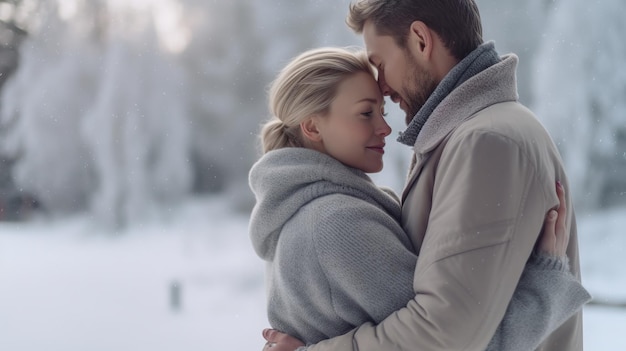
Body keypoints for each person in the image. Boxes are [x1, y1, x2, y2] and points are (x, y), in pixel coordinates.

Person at [250, 47, 590, 351]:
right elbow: (451, 343)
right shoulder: (337, 223)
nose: (385, 127)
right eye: (366, 113)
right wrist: (546, 280)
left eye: (382, 111)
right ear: (312, 128)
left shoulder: (299, 212)